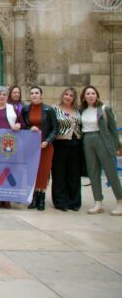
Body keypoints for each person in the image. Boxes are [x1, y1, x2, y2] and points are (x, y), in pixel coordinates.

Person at [79, 86, 122, 215]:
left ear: (97, 95)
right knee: (93, 172)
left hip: (102, 139)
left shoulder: (104, 109)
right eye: (88, 93)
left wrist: (116, 147)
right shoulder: (82, 110)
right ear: (84, 96)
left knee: (110, 172)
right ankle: (98, 202)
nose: (91, 95)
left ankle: (120, 201)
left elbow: (113, 130)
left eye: (93, 93)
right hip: (87, 140)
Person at [21, 86, 58, 211]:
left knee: (43, 172)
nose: (34, 95)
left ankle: (41, 198)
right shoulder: (26, 109)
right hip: (32, 146)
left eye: (37, 93)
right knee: (33, 172)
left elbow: (55, 128)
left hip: (45, 146)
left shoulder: (49, 110)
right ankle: (34, 198)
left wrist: (48, 141)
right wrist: (29, 128)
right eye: (32, 93)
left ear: (41, 95)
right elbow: (23, 125)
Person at [52, 87, 83, 212]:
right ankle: (60, 202)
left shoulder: (77, 110)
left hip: (76, 144)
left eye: (71, 95)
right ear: (62, 95)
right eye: (66, 94)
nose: (68, 97)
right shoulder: (54, 109)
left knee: (74, 174)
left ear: (74, 98)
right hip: (60, 144)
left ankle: (74, 202)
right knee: (59, 174)